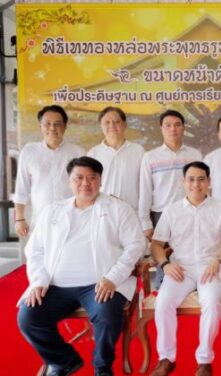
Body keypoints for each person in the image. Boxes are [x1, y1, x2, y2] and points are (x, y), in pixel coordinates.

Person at [17, 157, 145, 376]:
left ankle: (102, 367)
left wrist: (112, 277)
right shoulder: (53, 211)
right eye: (79, 178)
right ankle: (63, 361)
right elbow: (34, 250)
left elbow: (136, 245)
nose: (86, 183)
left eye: (92, 178)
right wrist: (38, 281)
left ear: (100, 181)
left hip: (100, 284)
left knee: (107, 315)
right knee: (29, 317)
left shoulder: (118, 208)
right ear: (69, 181)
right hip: (56, 286)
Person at [150, 161, 221, 376]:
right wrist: (165, 264)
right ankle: (166, 358)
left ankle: (204, 360)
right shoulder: (172, 210)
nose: (196, 184)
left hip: (211, 266)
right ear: (183, 182)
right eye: (191, 179)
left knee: (210, 302)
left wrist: (218, 258)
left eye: (201, 179)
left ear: (209, 182)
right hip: (181, 268)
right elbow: (156, 245)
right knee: (163, 302)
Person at [14, 105, 85, 237]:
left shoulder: (78, 152)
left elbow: (84, 188)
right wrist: (19, 219)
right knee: (40, 256)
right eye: (47, 124)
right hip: (40, 220)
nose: (52, 128)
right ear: (40, 126)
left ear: (65, 126)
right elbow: (21, 189)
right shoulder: (29, 152)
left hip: (72, 220)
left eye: (57, 124)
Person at [138, 109, 202, 239]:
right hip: (161, 214)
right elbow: (145, 191)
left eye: (177, 125)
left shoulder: (195, 155)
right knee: (163, 255)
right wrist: (146, 223)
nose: (173, 129)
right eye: (168, 125)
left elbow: (202, 187)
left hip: (191, 212)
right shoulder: (150, 157)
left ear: (183, 128)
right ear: (161, 128)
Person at [87, 106, 145, 210]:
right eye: (107, 122)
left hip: (131, 211)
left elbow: (145, 184)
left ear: (125, 124)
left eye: (116, 122)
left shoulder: (138, 151)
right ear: (101, 125)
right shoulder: (93, 153)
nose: (112, 125)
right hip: (101, 211)